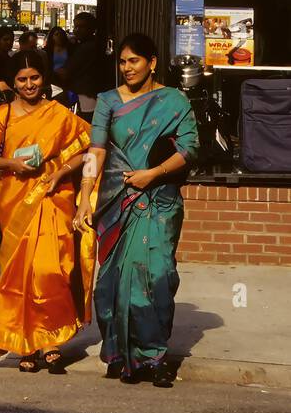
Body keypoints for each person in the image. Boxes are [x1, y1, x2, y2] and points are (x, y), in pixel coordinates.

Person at [75, 34, 199, 387]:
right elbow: (95, 152)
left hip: (159, 201)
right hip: (116, 203)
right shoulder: (107, 101)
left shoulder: (174, 101)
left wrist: (152, 174)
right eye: (123, 62)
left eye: (134, 61)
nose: (127, 68)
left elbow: (190, 148)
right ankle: (118, 353)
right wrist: (85, 195)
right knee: (114, 282)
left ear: (152, 62)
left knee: (157, 276)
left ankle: (154, 356)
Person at [0, 51, 94, 372]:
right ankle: (24, 343)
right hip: (15, 200)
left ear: (43, 79)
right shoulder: (2, 115)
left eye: (35, 78)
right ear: (13, 82)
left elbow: (87, 148)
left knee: (51, 270)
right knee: (18, 276)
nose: (29, 85)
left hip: (53, 198)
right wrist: (11, 163)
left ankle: (50, 339)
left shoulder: (59, 114)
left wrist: (59, 173)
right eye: (22, 79)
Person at [58, 12, 106, 122]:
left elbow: (66, 72)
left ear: (92, 29)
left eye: (82, 27)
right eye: (76, 26)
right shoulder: (83, 45)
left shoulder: (87, 48)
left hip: (86, 96)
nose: (77, 30)